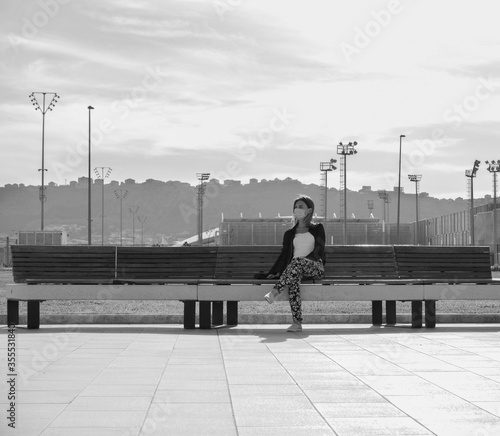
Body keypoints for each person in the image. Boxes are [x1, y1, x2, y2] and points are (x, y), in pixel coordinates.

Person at [264, 195, 326, 332]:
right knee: (293, 283)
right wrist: (276, 272)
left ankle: (275, 291)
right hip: (294, 270)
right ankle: (297, 323)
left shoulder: (318, 229)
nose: (297, 209)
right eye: (296, 207)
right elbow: (285, 255)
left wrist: (305, 261)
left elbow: (319, 250)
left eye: (301, 207)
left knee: (297, 261)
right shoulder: (289, 233)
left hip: (315, 266)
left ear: (309, 210)